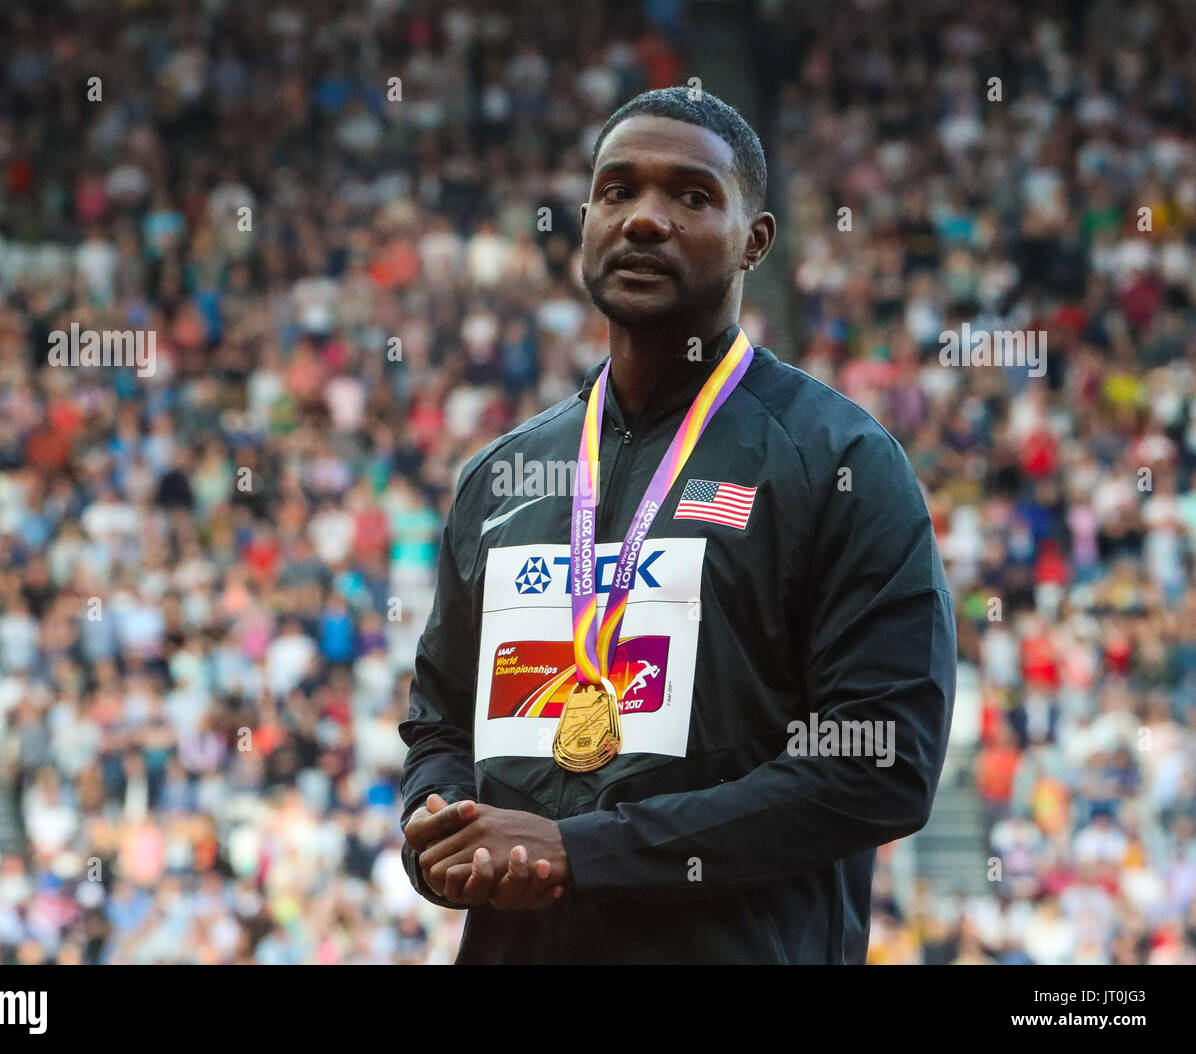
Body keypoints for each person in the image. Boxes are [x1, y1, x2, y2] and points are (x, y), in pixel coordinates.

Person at [398, 87, 957, 964]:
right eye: (617, 191)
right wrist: (438, 827)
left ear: (754, 241)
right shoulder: (502, 477)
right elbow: (440, 725)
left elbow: (880, 766)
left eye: (691, 197)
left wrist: (583, 851)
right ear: (585, 219)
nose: (645, 220)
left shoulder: (840, 460)